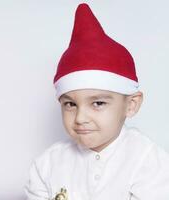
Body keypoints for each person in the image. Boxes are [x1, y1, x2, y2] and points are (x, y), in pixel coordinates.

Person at [24, 3, 169, 200]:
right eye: (70, 104)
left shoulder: (147, 161)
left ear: (131, 104)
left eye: (98, 103)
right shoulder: (47, 165)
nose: (80, 118)